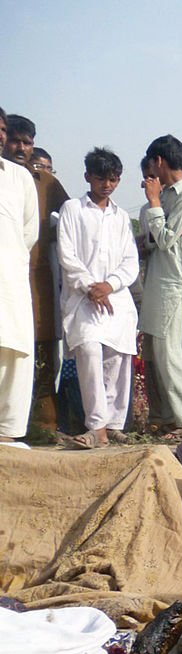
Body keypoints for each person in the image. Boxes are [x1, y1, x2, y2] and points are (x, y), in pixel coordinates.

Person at [55, 147, 139, 448]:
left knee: (117, 358)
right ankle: (97, 427)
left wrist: (110, 285)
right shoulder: (72, 210)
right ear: (88, 176)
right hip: (83, 298)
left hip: (116, 299)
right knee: (89, 351)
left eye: (114, 179)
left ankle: (114, 425)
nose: (108, 185)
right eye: (102, 178)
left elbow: (131, 261)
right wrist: (91, 286)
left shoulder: (121, 217)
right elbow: (67, 254)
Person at [2, 114, 68, 431]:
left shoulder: (43, 182)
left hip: (34, 279)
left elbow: (67, 221)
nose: (19, 147)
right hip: (12, 273)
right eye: (15, 139)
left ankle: (40, 425)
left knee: (36, 348)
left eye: (27, 142)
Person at [138, 134, 182, 434]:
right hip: (159, 285)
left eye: (153, 165)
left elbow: (165, 238)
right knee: (155, 355)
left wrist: (153, 202)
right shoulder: (167, 197)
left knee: (174, 355)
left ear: (159, 161)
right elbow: (153, 240)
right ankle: (164, 417)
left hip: (176, 287)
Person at [0, 107, 40, 443]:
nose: (1, 135)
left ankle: (9, 434)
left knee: (14, 352)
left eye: (1, 129)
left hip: (11, 278)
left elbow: (29, 232)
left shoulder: (20, 178)